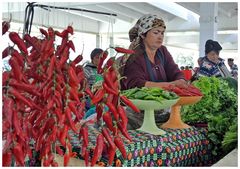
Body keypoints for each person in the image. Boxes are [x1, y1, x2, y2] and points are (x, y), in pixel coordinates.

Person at [120, 14, 188, 130]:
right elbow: (136, 84)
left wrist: (181, 80)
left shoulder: (162, 51)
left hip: (163, 112)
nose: (160, 37)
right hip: (137, 116)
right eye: (156, 33)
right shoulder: (133, 56)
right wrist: (171, 85)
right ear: (143, 35)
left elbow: (175, 71)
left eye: (162, 33)